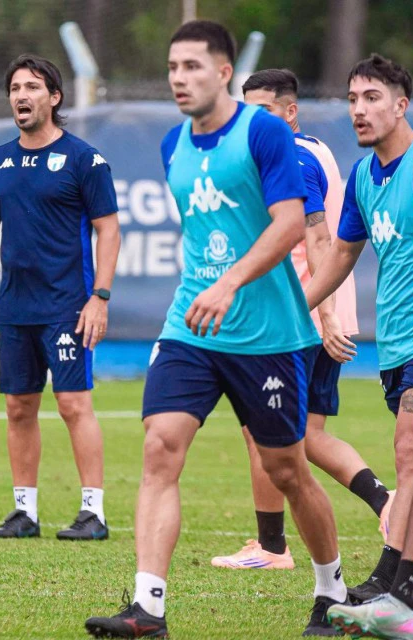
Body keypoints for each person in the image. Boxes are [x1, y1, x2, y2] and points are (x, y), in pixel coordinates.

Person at [85, 20, 348, 639]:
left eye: (193, 67)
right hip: (192, 326)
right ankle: (148, 608)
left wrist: (230, 284)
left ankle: (332, 590)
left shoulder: (263, 131)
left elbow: (290, 224)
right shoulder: (172, 144)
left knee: (287, 470)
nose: (179, 78)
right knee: (160, 446)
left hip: (267, 333)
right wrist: (209, 286)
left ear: (224, 71)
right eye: (173, 68)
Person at [210, 68, 394, 572]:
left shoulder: (292, 155)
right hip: (313, 314)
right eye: (246, 111)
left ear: (290, 112)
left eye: (264, 111)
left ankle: (271, 547)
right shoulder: (313, 148)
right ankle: (386, 502)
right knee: (306, 436)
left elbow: (319, 240)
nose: (253, 121)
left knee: (264, 432)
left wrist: (324, 315)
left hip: (301, 319)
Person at [305, 53, 413, 607]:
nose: (359, 110)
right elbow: (342, 255)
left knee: (412, 449)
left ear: (401, 105)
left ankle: (391, 577)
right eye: (352, 99)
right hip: (395, 345)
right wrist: (295, 310)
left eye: (372, 98)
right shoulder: (363, 177)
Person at [0, 54, 120, 541]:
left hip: (68, 304)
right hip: (15, 306)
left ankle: (93, 513)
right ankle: (24, 513)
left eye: (33, 87)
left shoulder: (84, 159)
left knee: (73, 403)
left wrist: (100, 297)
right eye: (16, 88)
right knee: (18, 406)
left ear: (54, 97)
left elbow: (108, 230)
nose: (21, 95)